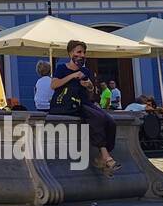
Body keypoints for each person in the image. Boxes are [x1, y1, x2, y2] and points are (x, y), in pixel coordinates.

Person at [49, 40, 119, 174]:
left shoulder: (86, 70)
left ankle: (103, 156)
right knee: (96, 118)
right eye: (78, 52)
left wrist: (89, 85)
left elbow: (92, 90)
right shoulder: (62, 68)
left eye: (83, 52)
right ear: (71, 53)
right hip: (68, 104)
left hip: (84, 102)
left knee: (110, 122)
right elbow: (54, 85)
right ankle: (105, 156)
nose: (81, 55)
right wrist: (73, 76)